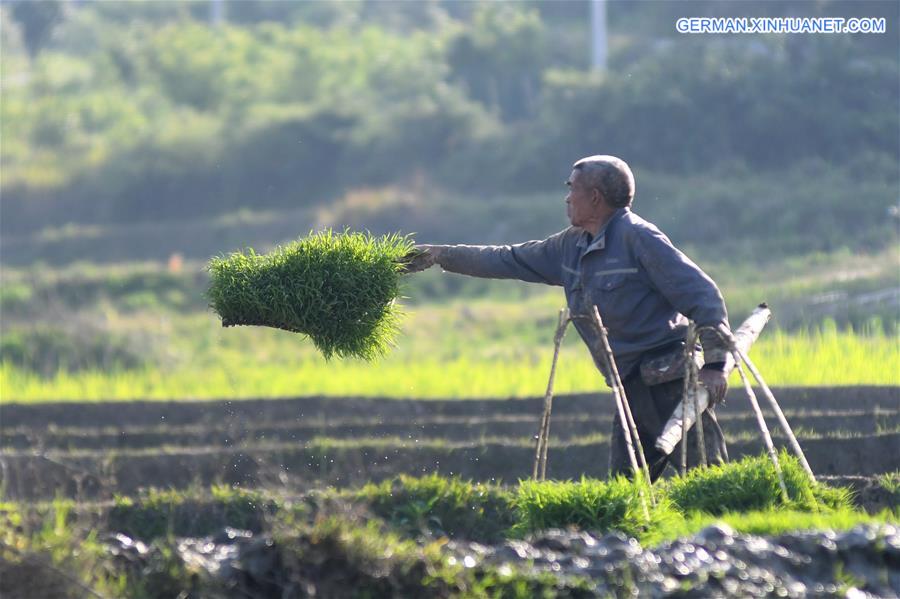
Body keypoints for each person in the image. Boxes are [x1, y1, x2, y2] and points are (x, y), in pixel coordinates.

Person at [404, 155, 731, 482]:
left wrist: (716, 365)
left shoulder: (639, 239)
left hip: (669, 381)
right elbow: (507, 259)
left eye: (572, 188)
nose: (567, 197)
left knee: (710, 479)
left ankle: (738, 528)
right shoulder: (570, 247)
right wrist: (439, 255)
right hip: (627, 386)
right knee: (627, 489)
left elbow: (701, 294)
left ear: (594, 198)